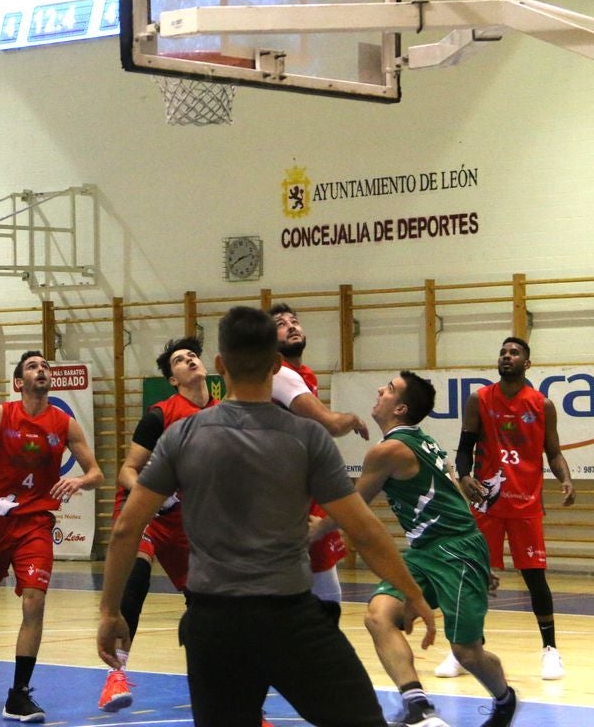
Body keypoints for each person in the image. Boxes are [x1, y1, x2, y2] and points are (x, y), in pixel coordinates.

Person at [98, 306, 437, 727]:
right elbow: (365, 531)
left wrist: (110, 613)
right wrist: (413, 593)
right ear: (278, 365)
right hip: (289, 618)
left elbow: (126, 529)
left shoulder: (183, 436)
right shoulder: (307, 437)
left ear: (220, 365)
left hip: (213, 624)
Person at [311, 372, 518, 727]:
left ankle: (504, 699)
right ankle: (416, 703)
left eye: (389, 389)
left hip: (456, 551)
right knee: (379, 615)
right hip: (425, 551)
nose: (380, 390)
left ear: (401, 407)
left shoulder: (388, 450)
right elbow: (453, 489)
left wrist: (318, 527)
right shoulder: (422, 441)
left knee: (466, 652)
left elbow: (355, 505)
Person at [0, 350, 103, 723]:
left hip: (35, 521)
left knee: (34, 601)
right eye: (33, 366)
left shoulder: (64, 423)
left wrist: (80, 479)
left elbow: (96, 471)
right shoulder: (1, 415)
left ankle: (19, 694)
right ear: (20, 382)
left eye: (45, 366)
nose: (41, 370)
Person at [443, 336, 575, 682]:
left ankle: (550, 651)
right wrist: (465, 476)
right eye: (503, 352)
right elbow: (463, 448)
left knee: (535, 579)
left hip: (526, 505)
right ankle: (464, 650)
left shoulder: (541, 405)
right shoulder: (479, 399)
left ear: (527, 364)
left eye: (514, 353)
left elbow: (554, 452)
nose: (506, 356)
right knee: (473, 577)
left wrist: (566, 478)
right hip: (487, 503)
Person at [97, 337, 217, 713]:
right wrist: (154, 492)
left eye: (192, 356)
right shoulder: (160, 414)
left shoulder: (224, 414)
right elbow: (127, 471)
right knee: (136, 579)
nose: (189, 360)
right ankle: (115, 676)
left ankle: (228, 694)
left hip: (187, 521)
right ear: (173, 379)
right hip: (146, 510)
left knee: (208, 605)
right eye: (180, 360)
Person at [268, 302, 368, 623]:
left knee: (323, 579)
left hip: (304, 487)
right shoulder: (277, 372)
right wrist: (351, 417)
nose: (292, 326)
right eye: (281, 324)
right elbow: (328, 424)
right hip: (279, 493)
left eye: (294, 321)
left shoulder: (304, 374)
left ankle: (313, 659)